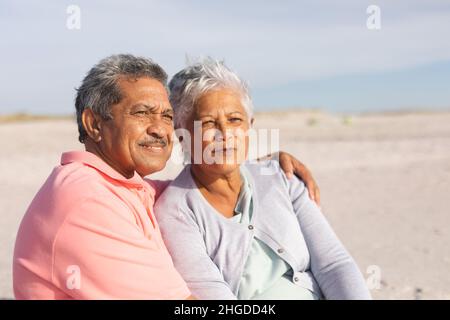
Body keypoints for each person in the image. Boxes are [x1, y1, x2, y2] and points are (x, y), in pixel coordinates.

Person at [13, 54, 319, 299]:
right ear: (93, 124)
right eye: (142, 113)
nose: (160, 129)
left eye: (167, 116)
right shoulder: (86, 200)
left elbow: (200, 187)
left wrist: (258, 165)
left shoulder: (126, 188)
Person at [154, 58, 371, 300]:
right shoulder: (175, 211)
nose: (225, 134)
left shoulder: (282, 177)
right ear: (182, 135)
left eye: (234, 120)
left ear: (249, 126)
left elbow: (334, 265)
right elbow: (213, 295)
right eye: (208, 123)